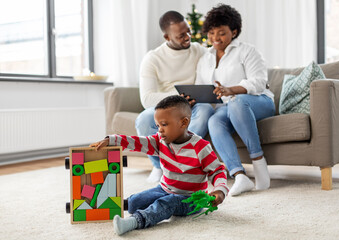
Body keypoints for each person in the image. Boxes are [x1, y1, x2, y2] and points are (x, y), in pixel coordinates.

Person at [90, 95, 228, 235]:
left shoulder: (201, 147)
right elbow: (137, 142)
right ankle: (107, 207)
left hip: (190, 198)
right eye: (157, 126)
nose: (160, 130)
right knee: (138, 200)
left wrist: (220, 191)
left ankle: (135, 221)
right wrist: (112, 140)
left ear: (184, 122)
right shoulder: (159, 141)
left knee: (165, 203)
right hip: (164, 188)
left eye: (164, 124)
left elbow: (217, 171)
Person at [195, 4, 275, 196]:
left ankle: (258, 162)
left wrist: (231, 89)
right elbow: (201, 86)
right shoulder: (205, 58)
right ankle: (239, 175)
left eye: (221, 33)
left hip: (258, 101)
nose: (215, 38)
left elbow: (258, 82)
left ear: (234, 31)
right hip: (227, 106)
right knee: (214, 121)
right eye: (212, 33)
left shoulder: (248, 51)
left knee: (237, 101)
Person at [136, 11, 215, 183]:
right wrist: (178, 98)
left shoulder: (199, 51)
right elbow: (147, 99)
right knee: (143, 120)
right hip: (167, 107)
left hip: (195, 105)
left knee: (206, 110)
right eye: (181, 35)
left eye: (188, 31)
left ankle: (185, 163)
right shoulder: (153, 59)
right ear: (166, 36)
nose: (188, 37)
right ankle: (160, 166)